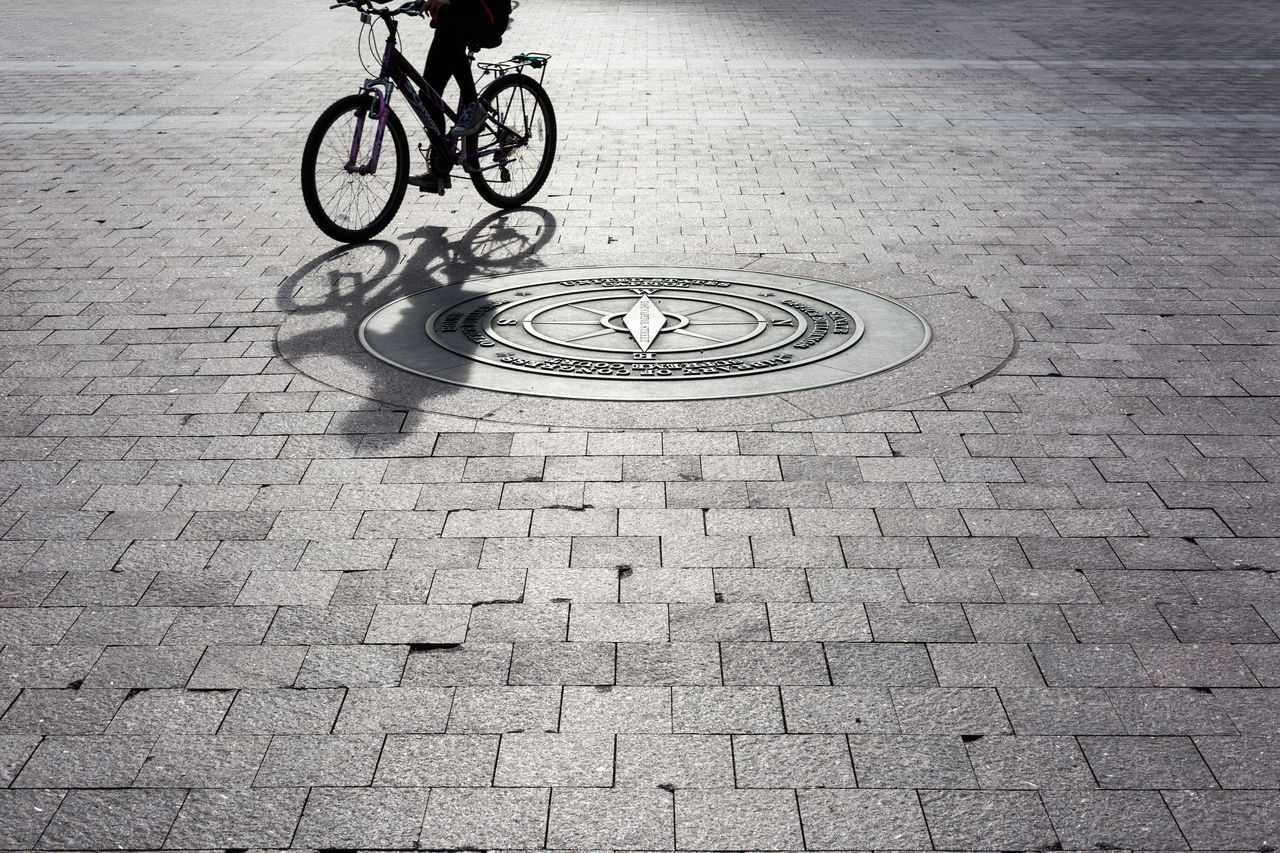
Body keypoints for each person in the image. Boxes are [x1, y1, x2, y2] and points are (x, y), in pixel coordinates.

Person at [408, 0, 509, 194]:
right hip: (452, 17)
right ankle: (441, 167)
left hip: (488, 14)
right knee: (429, 93)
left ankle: (474, 106)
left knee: (447, 34)